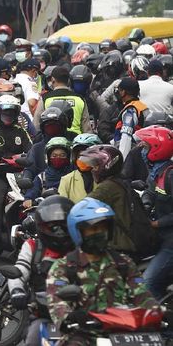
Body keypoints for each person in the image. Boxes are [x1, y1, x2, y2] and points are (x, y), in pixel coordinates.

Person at [46, 198, 159, 344]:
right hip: (83, 335)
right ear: (78, 232)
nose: (99, 233)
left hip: (122, 335)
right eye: (93, 229)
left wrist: (158, 313)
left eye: (103, 228)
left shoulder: (123, 263)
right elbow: (56, 301)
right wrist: (70, 317)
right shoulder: (64, 267)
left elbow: (142, 295)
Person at [8, 195, 75, 346]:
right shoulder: (33, 247)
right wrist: (17, 291)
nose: (59, 232)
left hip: (81, 315)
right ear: (41, 226)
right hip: (46, 316)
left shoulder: (81, 247)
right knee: (35, 337)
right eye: (52, 227)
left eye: (63, 226)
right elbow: (19, 271)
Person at [0, 95, 32, 251]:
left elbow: (30, 149)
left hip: (19, 173)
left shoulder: (22, 132)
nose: (8, 116)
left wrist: (27, 159)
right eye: (5, 112)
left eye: (11, 112)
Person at [135, 126, 173, 299]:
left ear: (157, 148)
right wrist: (144, 206)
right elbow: (150, 193)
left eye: (145, 147)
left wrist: (156, 223)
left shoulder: (170, 175)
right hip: (160, 237)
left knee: (148, 284)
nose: (142, 151)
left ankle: (159, 322)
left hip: (170, 242)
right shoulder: (156, 173)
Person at [78, 145, 134, 253]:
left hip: (120, 245)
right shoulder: (118, 181)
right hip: (124, 240)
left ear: (107, 165)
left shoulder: (108, 187)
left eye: (95, 166)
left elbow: (82, 207)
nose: (92, 170)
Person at [34, 67, 92, 135]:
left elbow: (37, 125)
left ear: (52, 79)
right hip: (76, 141)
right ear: (68, 81)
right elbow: (87, 129)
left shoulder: (45, 99)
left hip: (52, 141)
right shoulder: (79, 99)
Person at [58, 133, 102, 203]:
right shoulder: (67, 180)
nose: (82, 160)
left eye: (86, 156)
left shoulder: (105, 180)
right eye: (80, 156)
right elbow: (62, 207)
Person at [113, 77, 149, 159]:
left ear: (123, 92)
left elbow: (126, 136)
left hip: (131, 154)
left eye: (120, 90)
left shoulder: (130, 111)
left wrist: (122, 160)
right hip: (142, 152)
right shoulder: (142, 106)